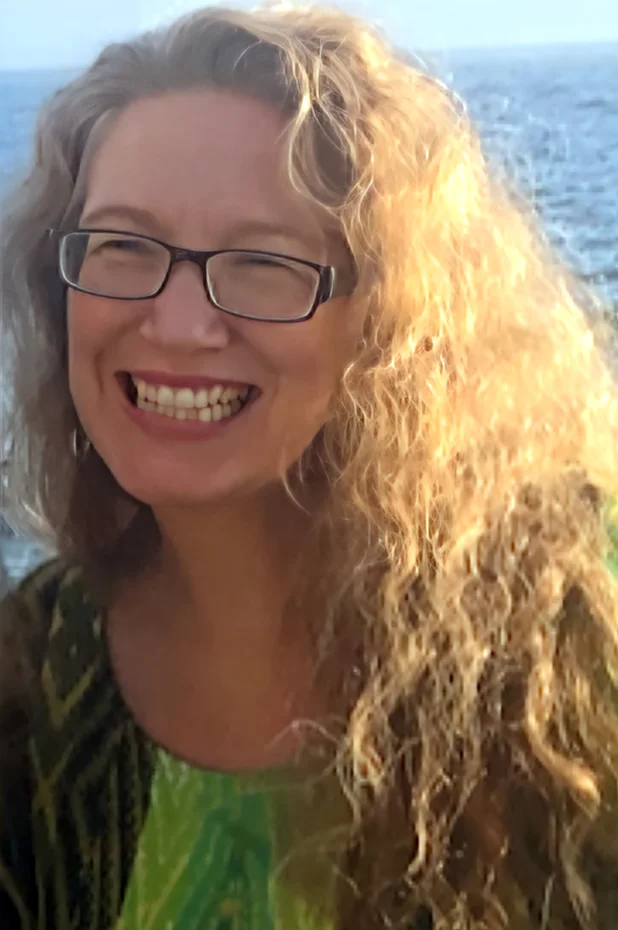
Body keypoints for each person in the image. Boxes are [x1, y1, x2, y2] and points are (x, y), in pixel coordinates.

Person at [1, 3, 617, 928]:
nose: (179, 326)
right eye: (123, 245)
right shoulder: (33, 677)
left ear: (388, 322)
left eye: (262, 261)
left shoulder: (580, 619)